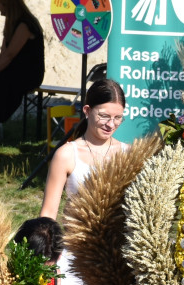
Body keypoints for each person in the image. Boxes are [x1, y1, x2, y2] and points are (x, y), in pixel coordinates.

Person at [39, 79, 128, 220]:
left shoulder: (128, 154)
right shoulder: (66, 155)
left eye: (118, 117)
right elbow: (48, 214)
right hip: (77, 240)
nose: (111, 124)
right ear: (87, 111)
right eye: (104, 116)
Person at [0, 0, 45, 145]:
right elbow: (3, 55)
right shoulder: (13, 24)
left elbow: (9, 56)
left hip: (27, 74)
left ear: (8, 4)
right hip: (15, 72)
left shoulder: (24, 25)